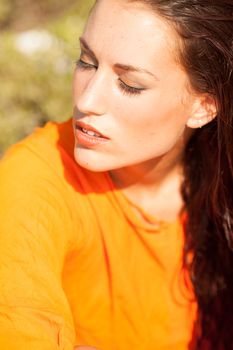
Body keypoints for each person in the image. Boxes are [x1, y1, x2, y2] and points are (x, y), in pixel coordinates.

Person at [0, 0, 232, 349]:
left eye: (130, 84)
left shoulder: (222, 180)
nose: (88, 100)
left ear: (203, 106)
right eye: (86, 62)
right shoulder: (35, 180)